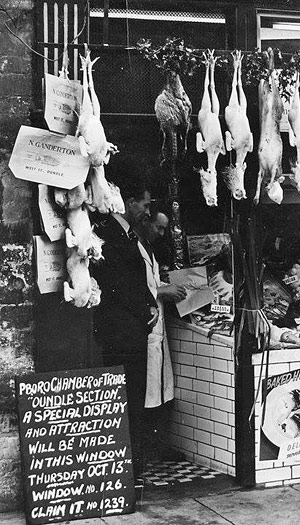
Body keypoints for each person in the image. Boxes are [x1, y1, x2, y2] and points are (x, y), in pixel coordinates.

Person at [91, 173, 157, 476]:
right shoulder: (108, 233)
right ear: (129, 203)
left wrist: (151, 303)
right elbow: (116, 283)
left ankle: (135, 462)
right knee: (127, 398)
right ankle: (129, 466)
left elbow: (136, 279)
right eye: (144, 204)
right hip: (121, 332)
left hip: (132, 331)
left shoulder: (128, 233)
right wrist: (145, 311)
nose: (147, 211)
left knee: (134, 397)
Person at [134, 210, 186, 460]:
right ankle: (145, 451)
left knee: (162, 390)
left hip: (158, 330)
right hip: (147, 331)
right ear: (146, 222)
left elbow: (151, 282)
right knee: (148, 392)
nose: (162, 233)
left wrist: (165, 286)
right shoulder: (134, 248)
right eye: (159, 228)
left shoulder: (148, 248)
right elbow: (137, 289)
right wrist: (163, 291)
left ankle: (158, 446)